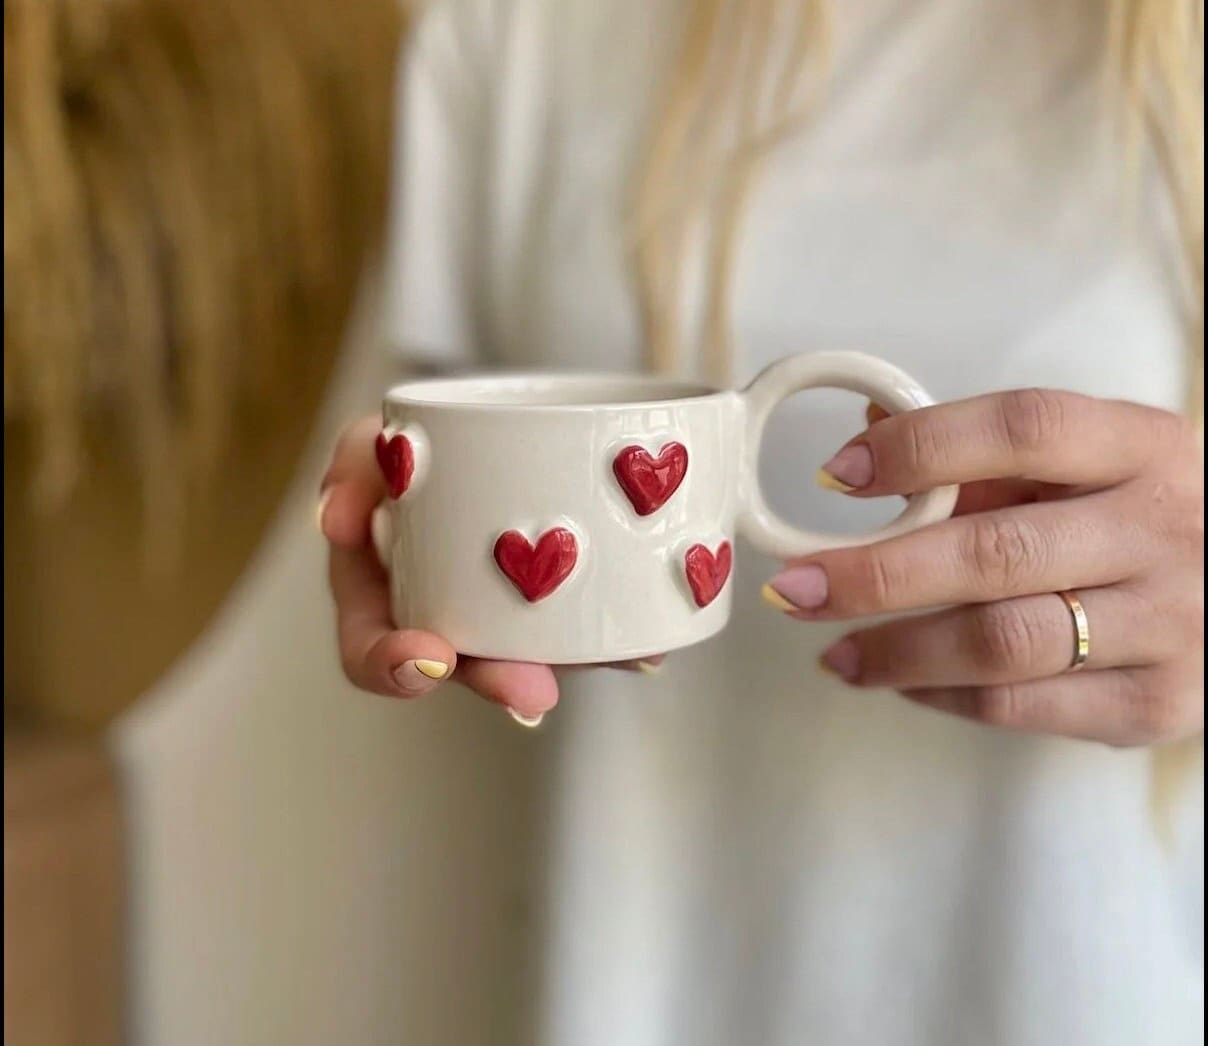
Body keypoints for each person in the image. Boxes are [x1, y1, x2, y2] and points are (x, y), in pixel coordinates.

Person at [319, 0, 1204, 1041]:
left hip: (1084, 984)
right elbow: (455, 433)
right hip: (625, 983)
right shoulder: (507, 27)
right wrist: (390, 520)